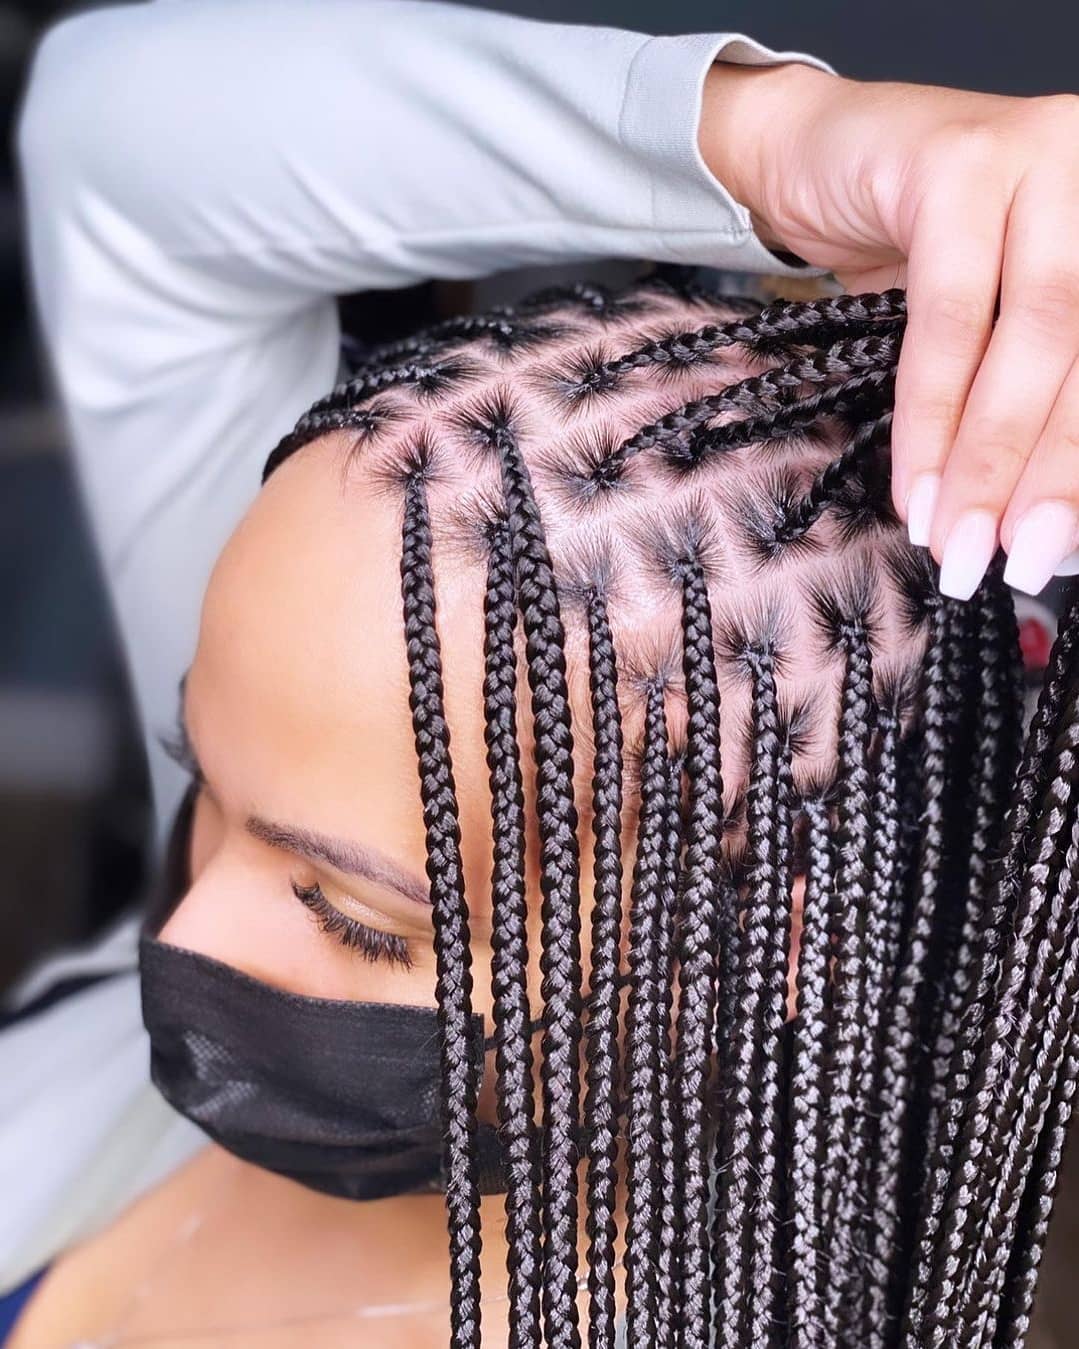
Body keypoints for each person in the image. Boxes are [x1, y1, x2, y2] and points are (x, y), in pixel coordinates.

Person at [7, 0, 1079, 1343]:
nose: (178, 935)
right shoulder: (326, 754)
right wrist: (775, 139)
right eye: (200, 777)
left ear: (762, 945)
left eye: (358, 918)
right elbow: (117, 144)